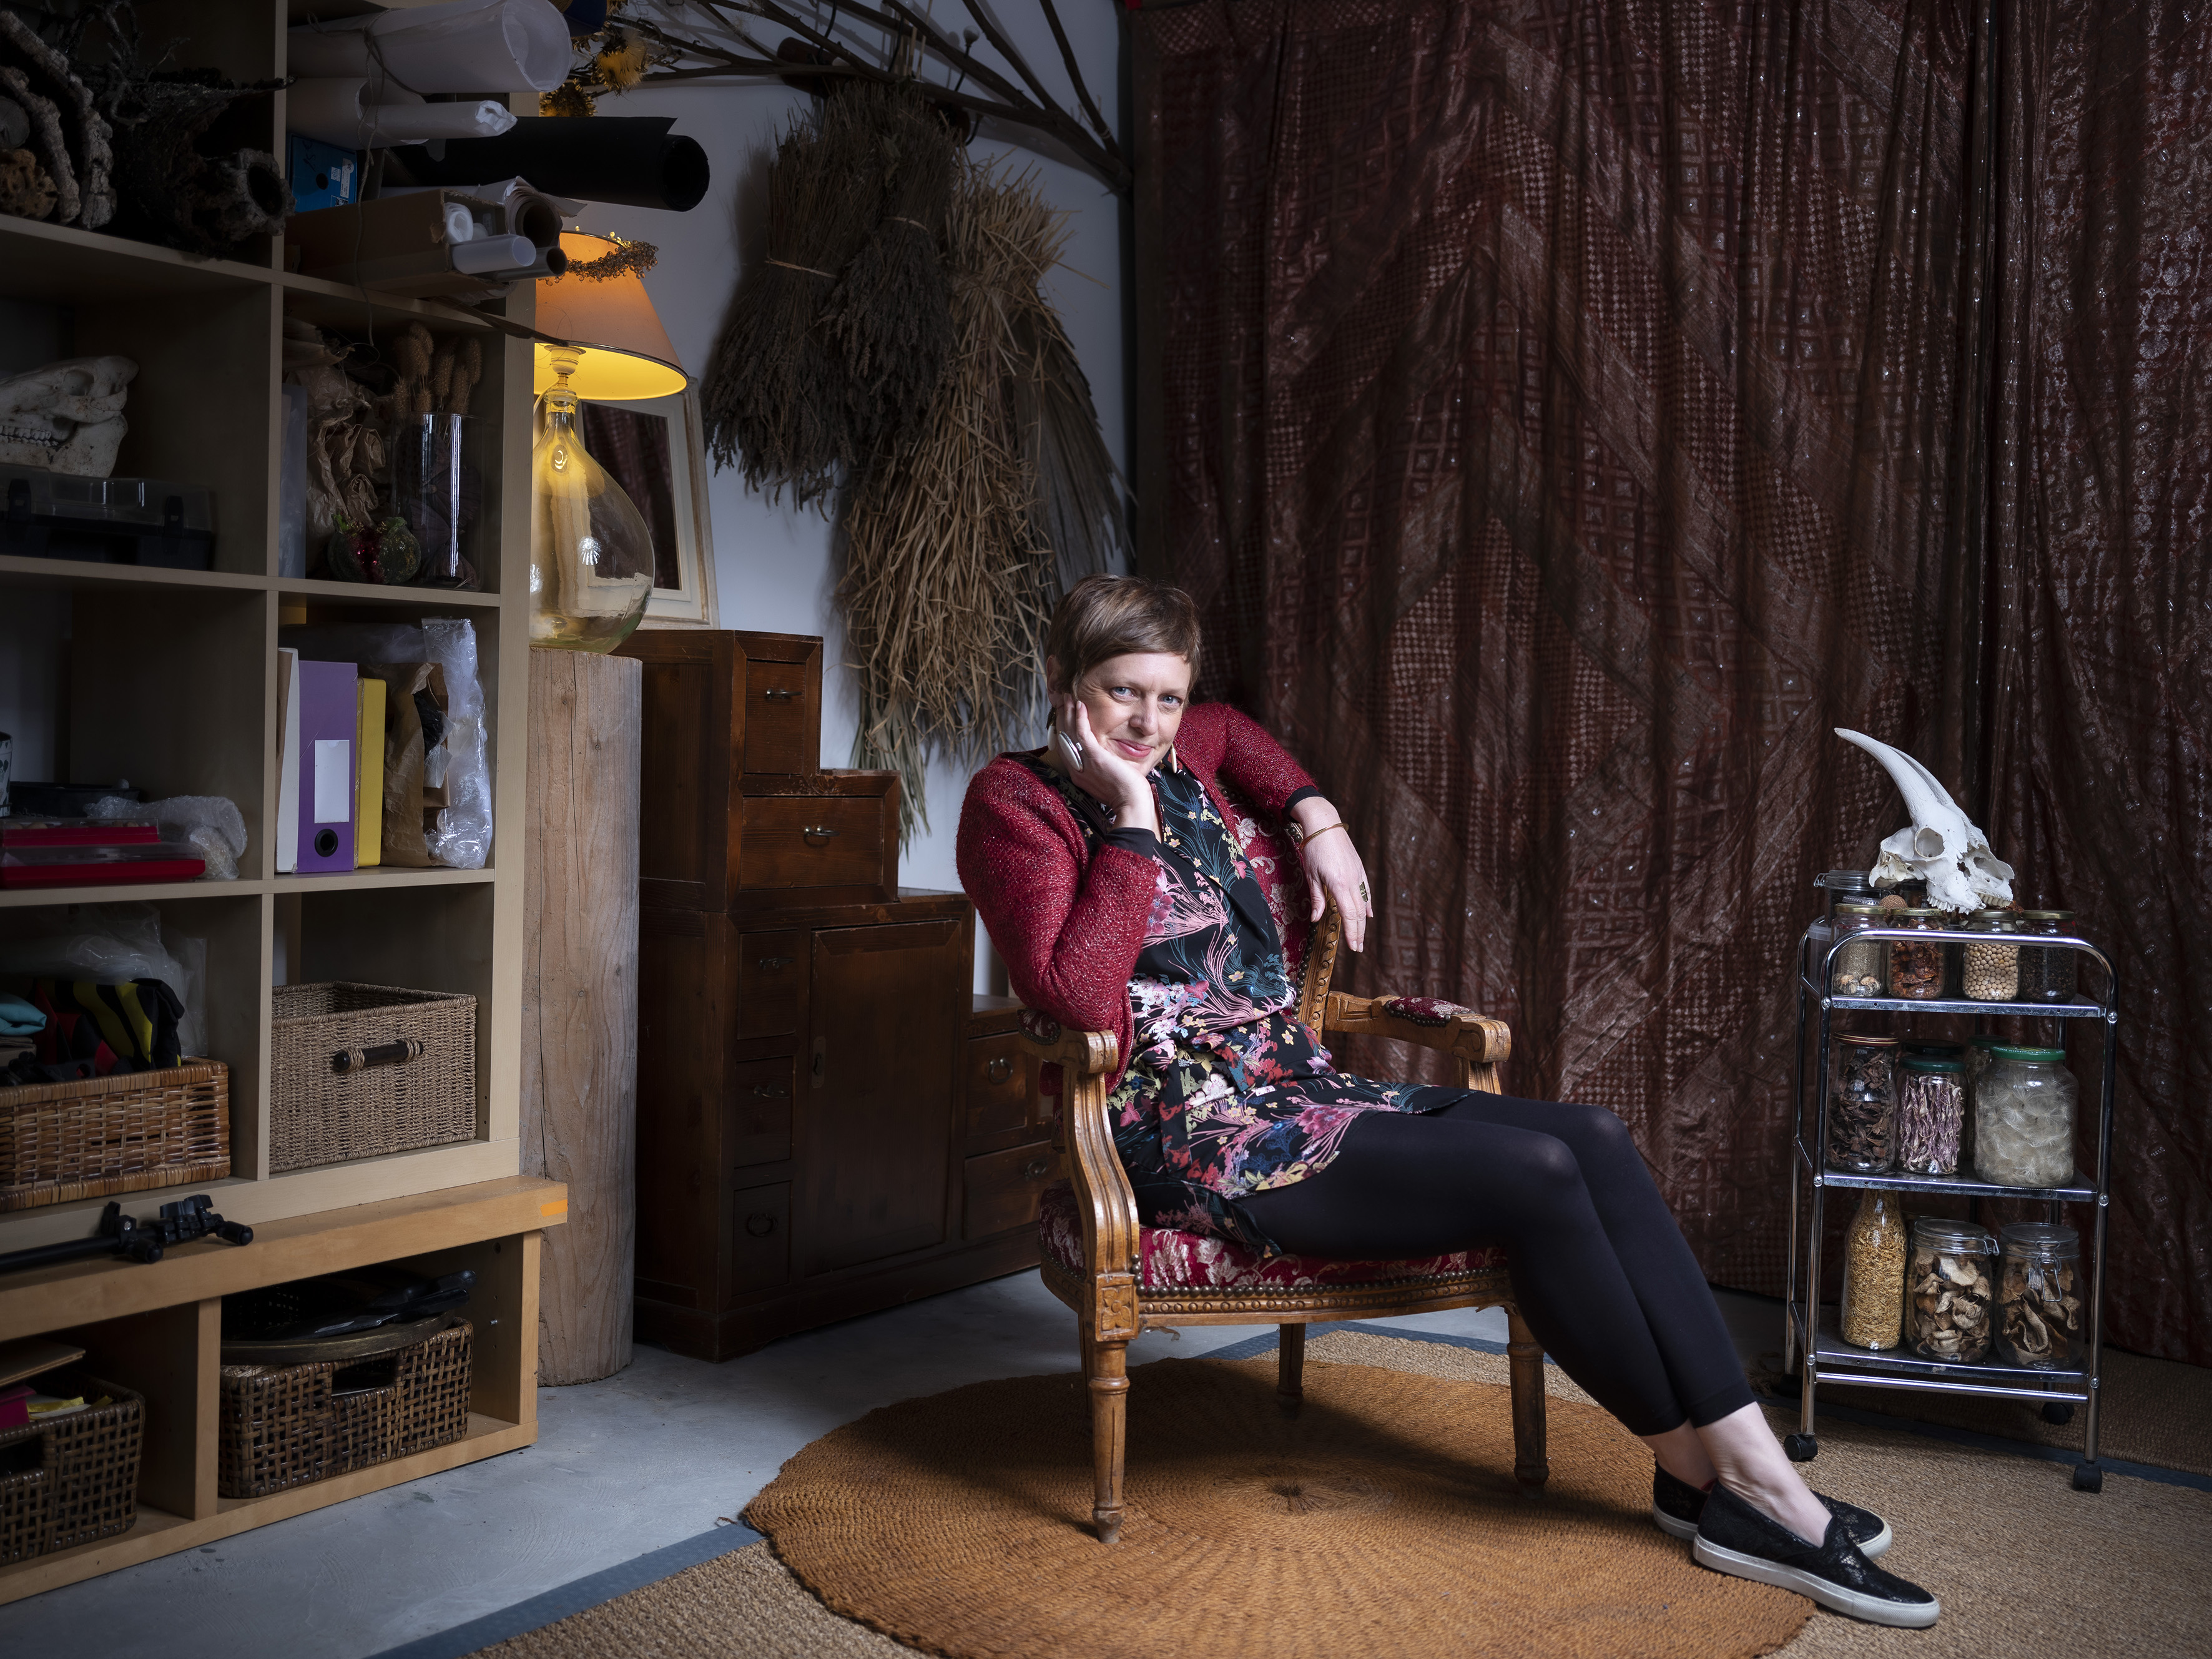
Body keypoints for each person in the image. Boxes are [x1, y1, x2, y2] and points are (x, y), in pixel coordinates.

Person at [956, 575, 1939, 1628]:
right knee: (1536, 1172)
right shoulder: (1016, 806)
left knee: (1595, 1135)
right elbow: (1074, 996)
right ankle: (1749, 1491)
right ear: (1063, 683)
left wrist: (1318, 816)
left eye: (1167, 696)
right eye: (1122, 693)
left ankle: (1724, 1477)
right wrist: (1132, 823)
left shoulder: (1183, 744)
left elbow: (1232, 732)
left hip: (1295, 1086)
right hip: (1194, 1133)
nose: (1150, 724)